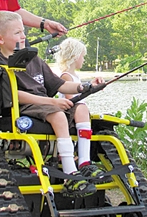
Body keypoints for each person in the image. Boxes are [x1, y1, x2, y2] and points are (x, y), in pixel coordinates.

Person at [0, 11, 108, 198]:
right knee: (58, 114)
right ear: (0, 38)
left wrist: (87, 86)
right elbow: (12, 95)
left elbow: (59, 84)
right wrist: (52, 101)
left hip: (46, 106)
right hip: (21, 108)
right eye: (17, 33)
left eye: (23, 31)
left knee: (81, 108)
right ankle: (69, 175)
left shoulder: (35, 59)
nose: (23, 36)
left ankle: (84, 163)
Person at [54, 37, 111, 184]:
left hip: (76, 113)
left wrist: (93, 89)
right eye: (82, 56)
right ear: (74, 56)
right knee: (82, 108)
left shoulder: (75, 75)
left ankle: (84, 158)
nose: (84, 59)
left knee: (84, 109)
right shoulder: (66, 75)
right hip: (68, 113)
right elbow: (71, 98)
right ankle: (84, 161)